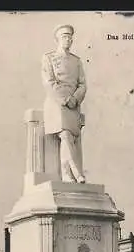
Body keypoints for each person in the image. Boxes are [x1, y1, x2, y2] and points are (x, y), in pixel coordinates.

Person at [42, 24, 87, 183]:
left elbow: (82, 84)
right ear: (58, 39)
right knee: (66, 136)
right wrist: (65, 99)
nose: (68, 39)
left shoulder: (77, 61)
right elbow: (49, 82)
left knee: (69, 140)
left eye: (69, 37)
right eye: (64, 37)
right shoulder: (49, 58)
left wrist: (74, 99)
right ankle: (77, 173)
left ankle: (68, 176)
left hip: (73, 105)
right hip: (57, 104)